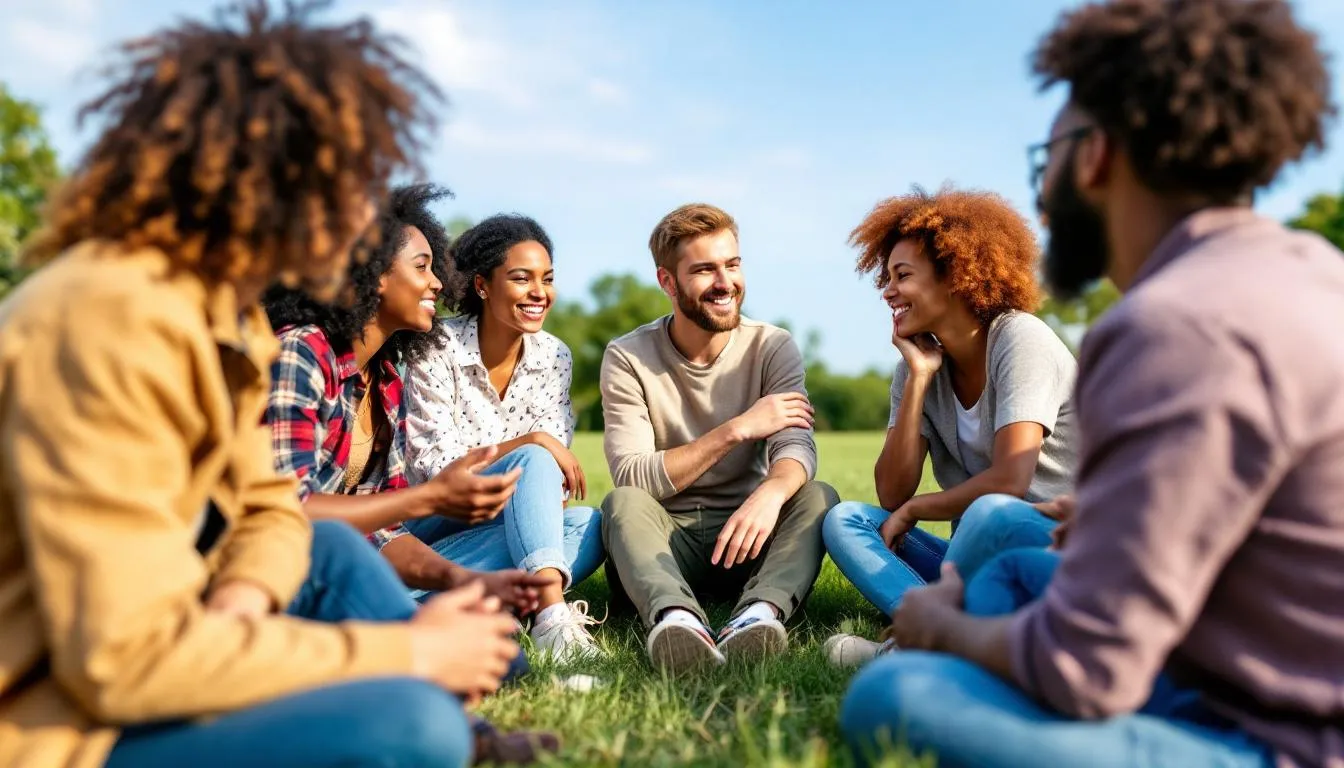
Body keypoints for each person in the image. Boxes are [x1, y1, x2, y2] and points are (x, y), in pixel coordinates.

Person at [0, 4, 523, 767]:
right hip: (56, 720)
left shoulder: (227, 317)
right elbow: (120, 664)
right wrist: (405, 655)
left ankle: (448, 706)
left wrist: (244, 598)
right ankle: (441, 718)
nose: (361, 211)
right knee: (414, 728)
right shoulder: (103, 324)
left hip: (174, 630)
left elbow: (274, 509)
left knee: (333, 558)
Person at [840, 1, 1343, 767]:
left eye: (1052, 157)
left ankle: (915, 653)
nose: (1044, 197)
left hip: (1275, 735)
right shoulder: (1306, 274)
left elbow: (1089, 671)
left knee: (889, 698)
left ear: (1097, 156)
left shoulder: (1171, 326)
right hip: (1232, 648)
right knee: (1008, 558)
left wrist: (940, 629)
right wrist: (1105, 513)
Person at [264, 184, 553, 622]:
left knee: (574, 534)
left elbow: (382, 531)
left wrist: (462, 580)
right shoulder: (301, 355)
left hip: (354, 563)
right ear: (375, 273)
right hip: (283, 576)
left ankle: (432, 608)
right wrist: (428, 498)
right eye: (422, 267)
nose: (438, 282)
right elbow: (285, 510)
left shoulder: (385, 379)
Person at [822, 187, 1078, 666]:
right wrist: (919, 380)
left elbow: (1010, 481)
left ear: (956, 277)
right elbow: (891, 495)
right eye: (887, 276)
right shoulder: (918, 364)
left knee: (991, 512)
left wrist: (921, 507)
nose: (888, 291)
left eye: (903, 276)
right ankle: (942, 631)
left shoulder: (1020, 340)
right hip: (972, 555)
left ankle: (920, 639)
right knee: (846, 521)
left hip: (1053, 547)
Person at [600, 202, 839, 673]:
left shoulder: (773, 345)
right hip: (666, 542)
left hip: (751, 536)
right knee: (622, 502)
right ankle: (677, 621)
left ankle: (756, 617)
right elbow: (633, 474)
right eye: (705, 270)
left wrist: (772, 492)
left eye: (732, 264)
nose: (725, 283)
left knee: (817, 495)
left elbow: (796, 446)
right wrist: (737, 429)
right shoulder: (628, 356)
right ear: (667, 282)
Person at [403, 214, 604, 661]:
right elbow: (437, 468)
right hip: (427, 521)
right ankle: (552, 617)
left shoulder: (554, 356)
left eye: (547, 279)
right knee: (533, 457)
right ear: (482, 286)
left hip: (501, 522)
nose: (540, 293)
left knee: (591, 524)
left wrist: (535, 456)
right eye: (521, 278)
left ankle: (462, 605)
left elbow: (554, 486)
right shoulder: (436, 347)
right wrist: (526, 444)